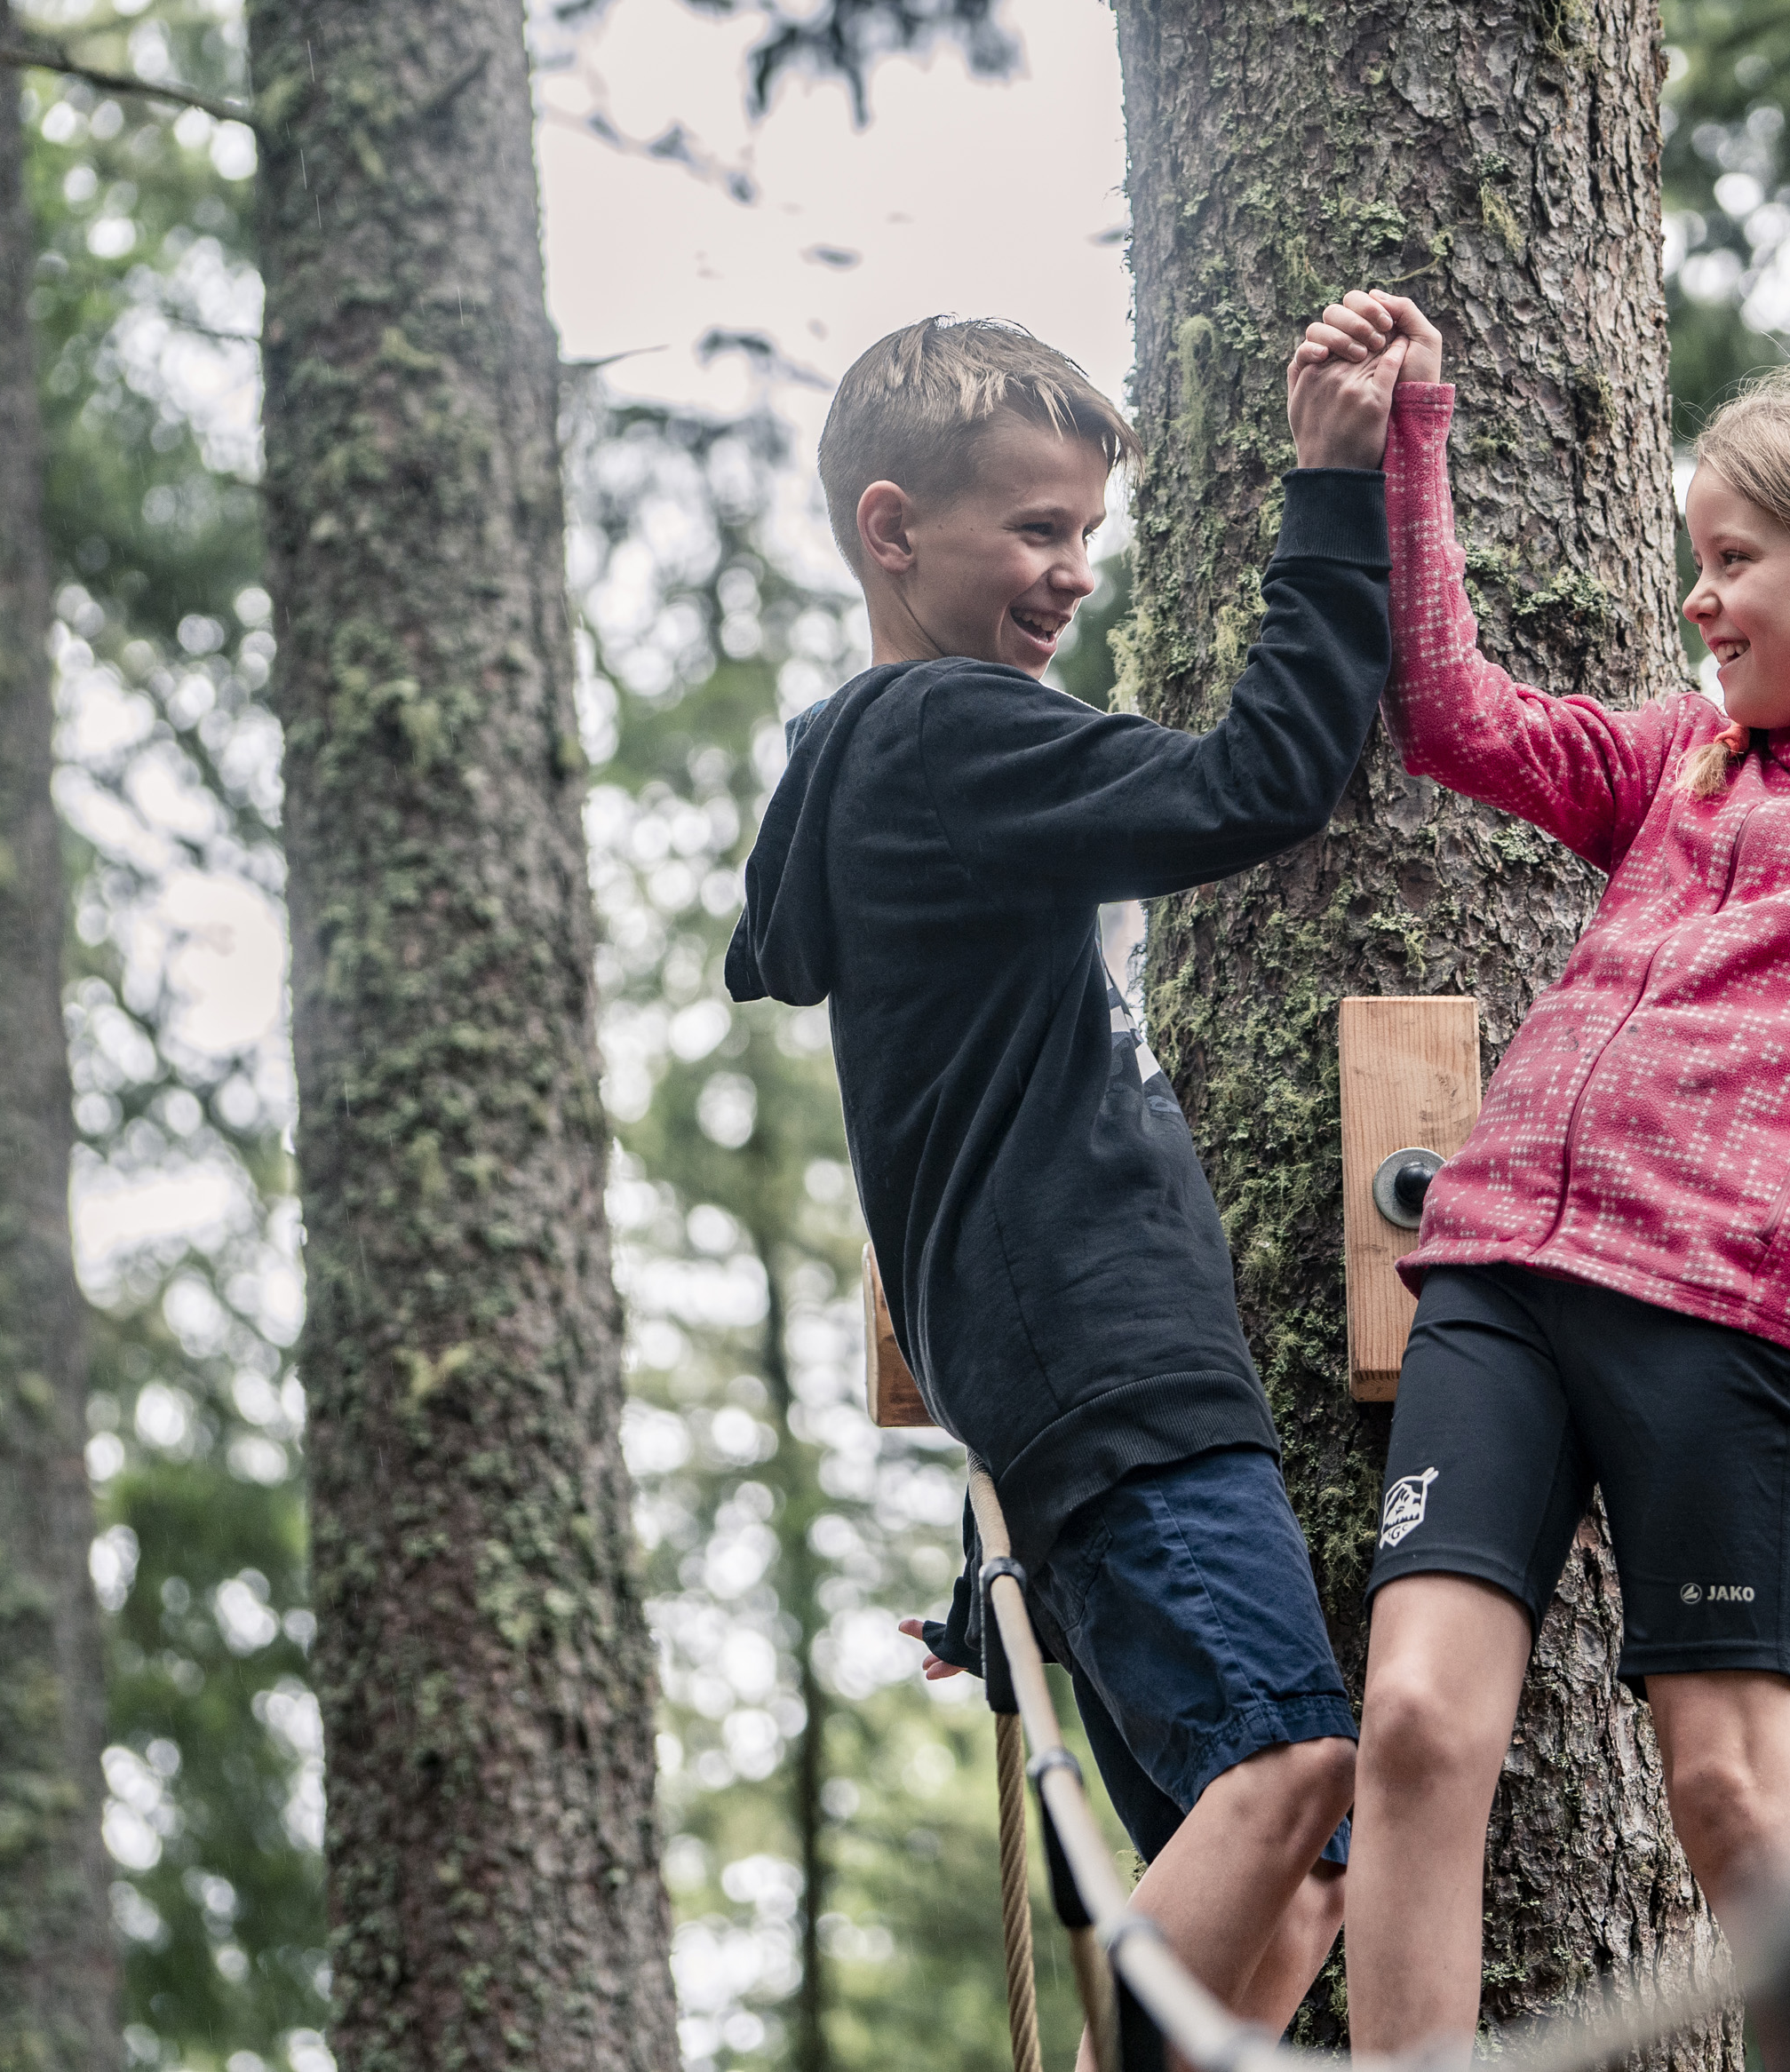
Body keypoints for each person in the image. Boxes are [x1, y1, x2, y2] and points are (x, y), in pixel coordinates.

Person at [1296, 293, 1790, 2056]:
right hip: (1499, 1276)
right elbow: (1449, 715)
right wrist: (1404, 446)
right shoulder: (1682, 758)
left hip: (1724, 1310)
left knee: (1734, 1798)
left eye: (1734, 561)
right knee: (1418, 1722)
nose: (1699, 598)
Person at [728, 313, 1408, 2040]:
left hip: (1074, 1375)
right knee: (1293, 1767)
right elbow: (1261, 783)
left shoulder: (883, 765)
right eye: (1036, 531)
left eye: (1086, 535)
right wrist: (1333, 486)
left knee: (1305, 1855)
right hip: (1105, 1367)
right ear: (893, 530)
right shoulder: (943, 736)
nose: (1072, 575)